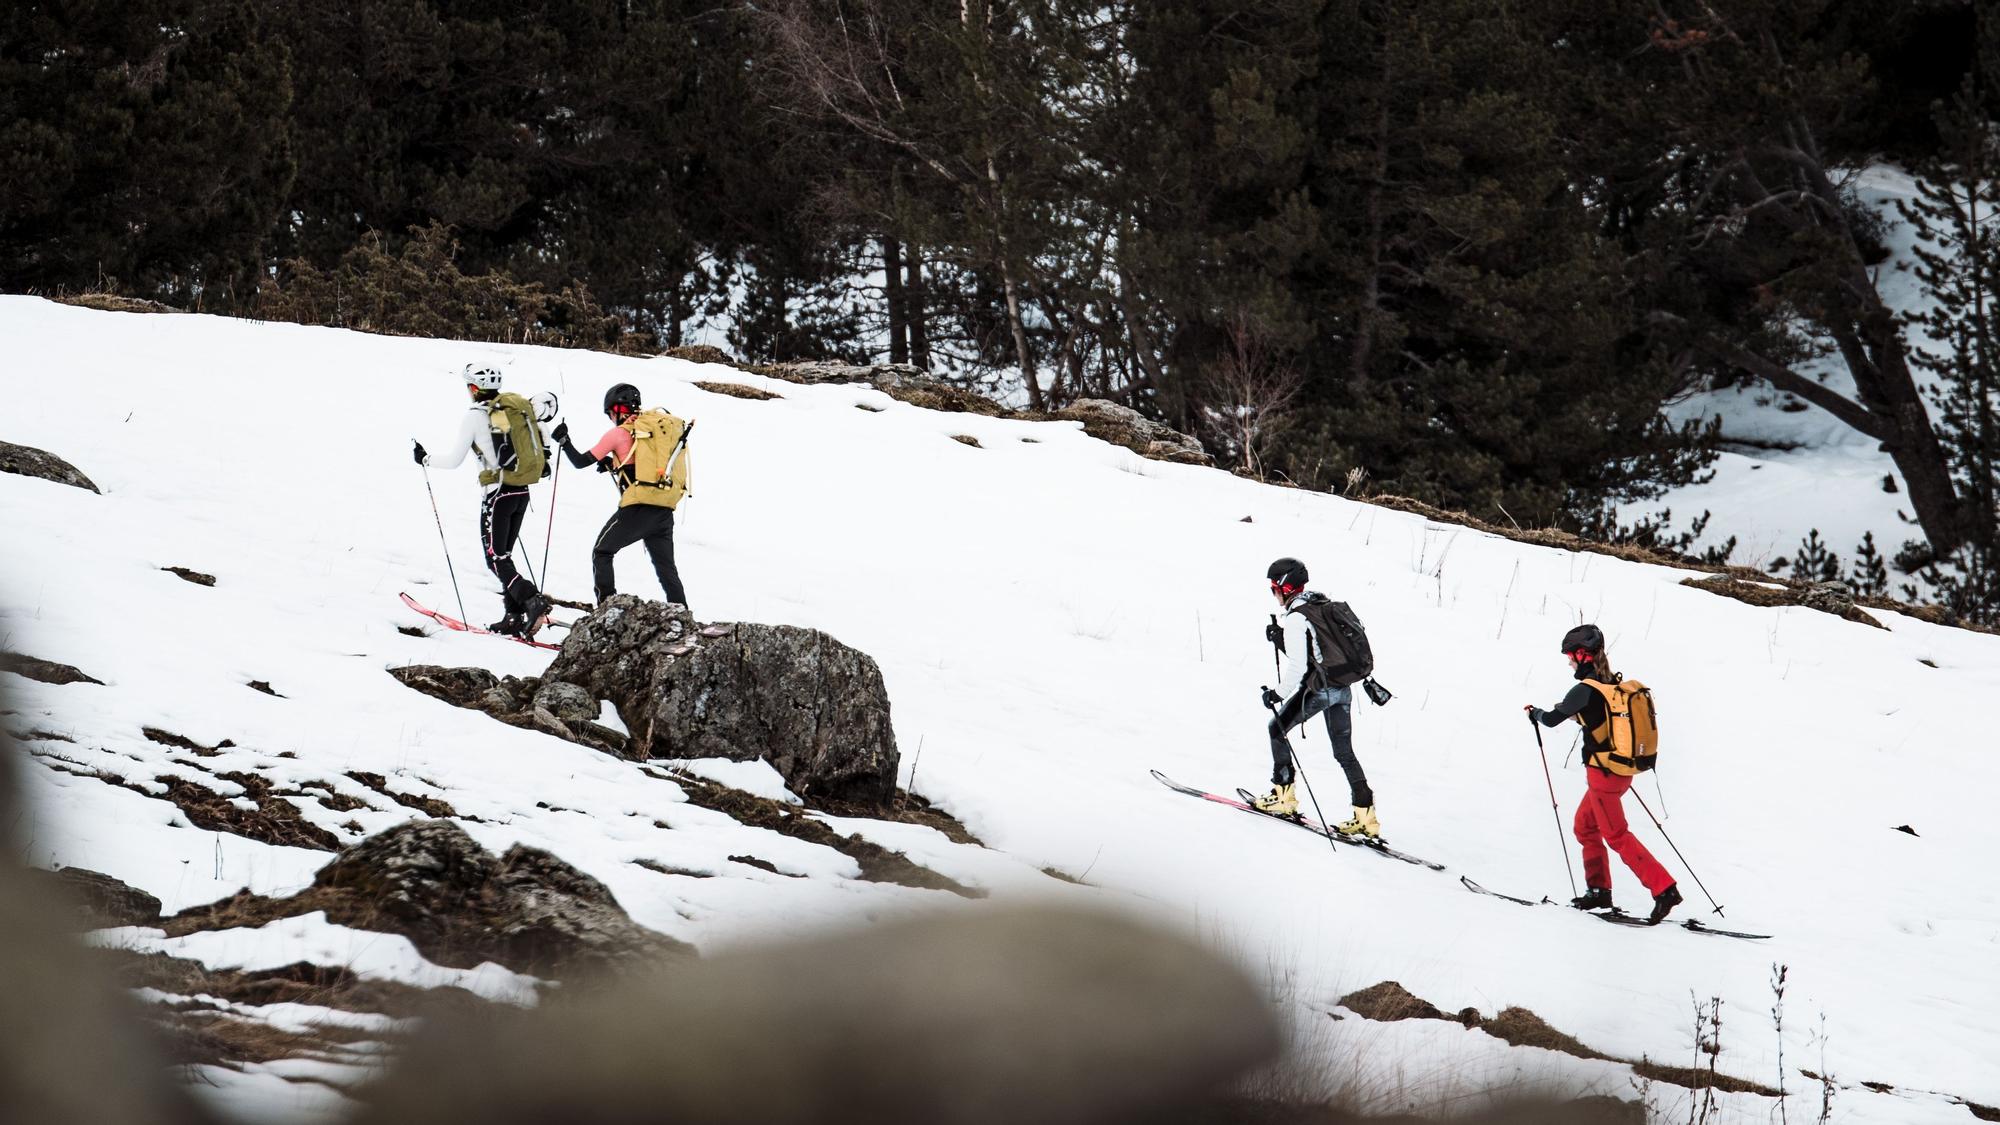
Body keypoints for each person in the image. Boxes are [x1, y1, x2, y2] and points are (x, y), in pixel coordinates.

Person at [1526, 624, 1682, 924]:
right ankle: (1598, 892)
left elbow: (1550, 721)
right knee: (1584, 827)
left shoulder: (1583, 689)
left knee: (1616, 835)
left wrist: (1535, 713)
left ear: (1583, 655)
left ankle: (1664, 889)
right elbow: (1598, 720)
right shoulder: (1609, 682)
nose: (1569, 661)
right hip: (1618, 772)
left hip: (1604, 775)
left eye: (1570, 655)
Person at [411, 364, 553, 637]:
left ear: (474, 389)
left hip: (498, 494)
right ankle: (512, 616)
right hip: (521, 491)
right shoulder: (513, 410)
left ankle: (531, 599)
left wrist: (425, 459)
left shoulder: (475, 416)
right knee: (504, 555)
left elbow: (454, 461)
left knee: (495, 558)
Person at [1253, 557, 1380, 839]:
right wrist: (1280, 639)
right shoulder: (1319, 605)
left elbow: (1300, 667)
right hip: (1342, 688)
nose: (1273, 593)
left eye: (1274, 587)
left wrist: (1277, 694)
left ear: (1285, 588)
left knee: (1277, 729)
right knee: (1344, 752)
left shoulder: (1297, 617)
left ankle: (1283, 797)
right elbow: (1316, 654)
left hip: (1320, 691)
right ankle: (1366, 817)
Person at [552, 383, 691, 609]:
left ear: (617, 409)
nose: (610, 418)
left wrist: (564, 441)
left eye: (610, 413)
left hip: (637, 509)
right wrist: (610, 463)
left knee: (602, 552)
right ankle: (682, 616)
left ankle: (606, 610)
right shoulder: (651, 431)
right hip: (664, 509)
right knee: (667, 569)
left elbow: (579, 462)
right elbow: (638, 463)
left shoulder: (617, 434)